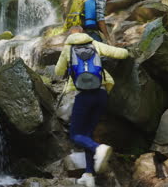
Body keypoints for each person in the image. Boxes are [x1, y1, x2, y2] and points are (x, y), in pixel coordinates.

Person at [55, 25, 128, 187]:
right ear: (83, 33)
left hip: (83, 96)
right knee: (87, 134)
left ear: (70, 35)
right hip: (101, 94)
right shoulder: (94, 44)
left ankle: (98, 148)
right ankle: (88, 175)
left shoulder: (68, 49)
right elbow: (122, 54)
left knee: (75, 135)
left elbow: (58, 72)